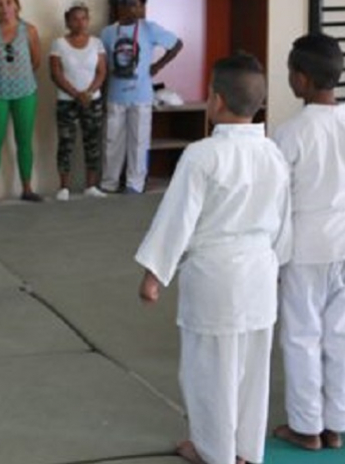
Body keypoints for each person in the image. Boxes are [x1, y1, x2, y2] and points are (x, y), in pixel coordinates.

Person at [135, 54, 291, 464]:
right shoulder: (273, 154)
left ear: (216, 100)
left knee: (209, 373)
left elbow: (177, 219)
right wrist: (279, 264)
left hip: (215, 277)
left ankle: (214, 452)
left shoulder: (203, 155)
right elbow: (282, 220)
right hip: (260, 271)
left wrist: (154, 274)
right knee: (252, 373)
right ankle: (246, 452)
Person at [270, 34, 345, 451]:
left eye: (290, 73)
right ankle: (336, 424)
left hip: (305, 244)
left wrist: (277, 254)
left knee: (301, 334)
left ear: (303, 77)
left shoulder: (291, 132)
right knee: (341, 334)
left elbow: (280, 202)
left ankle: (306, 425)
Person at [100, 0, 184, 194]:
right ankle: (109, 182)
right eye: (131, 4)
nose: (136, 8)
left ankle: (134, 184)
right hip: (115, 95)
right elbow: (101, 64)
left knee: (139, 141)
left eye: (138, 4)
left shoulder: (149, 28)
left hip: (141, 96)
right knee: (112, 141)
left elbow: (177, 44)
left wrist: (158, 66)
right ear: (120, 6)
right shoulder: (108, 33)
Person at [0, 0, 42, 205]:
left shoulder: (30, 30)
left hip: (25, 92)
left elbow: (36, 60)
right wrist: (2, 78)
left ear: (16, 4)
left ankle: (27, 188)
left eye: (8, 2)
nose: (4, 7)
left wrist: (19, 78)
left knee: (24, 141)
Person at [49, 3, 108, 201]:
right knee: (66, 143)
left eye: (84, 18)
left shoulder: (97, 43)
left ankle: (91, 185)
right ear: (67, 21)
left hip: (93, 101)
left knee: (92, 142)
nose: (80, 22)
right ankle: (63, 187)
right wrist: (76, 94)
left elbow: (101, 72)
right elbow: (55, 74)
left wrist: (89, 93)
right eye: (75, 18)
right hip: (67, 101)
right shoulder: (58, 44)